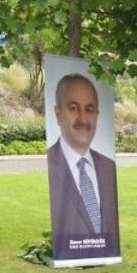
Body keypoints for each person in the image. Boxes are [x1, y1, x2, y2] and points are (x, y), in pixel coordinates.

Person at [45, 73, 119, 251]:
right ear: (58, 114)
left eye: (89, 110)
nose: (83, 119)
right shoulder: (50, 165)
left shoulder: (109, 167)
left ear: (97, 115)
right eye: (73, 108)